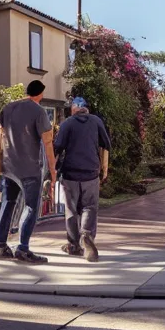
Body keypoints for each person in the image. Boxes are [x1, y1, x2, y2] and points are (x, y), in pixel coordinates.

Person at [0, 79, 57, 264]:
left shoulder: (7, 108)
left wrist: (0, 164)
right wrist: (52, 171)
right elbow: (47, 142)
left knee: (8, 203)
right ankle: (22, 249)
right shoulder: (39, 111)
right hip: (30, 168)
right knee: (30, 207)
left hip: (8, 167)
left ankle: (0, 247)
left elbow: (1, 137)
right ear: (40, 94)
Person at [54, 97, 111, 262]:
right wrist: (104, 170)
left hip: (70, 174)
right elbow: (106, 144)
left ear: (73, 109)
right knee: (89, 207)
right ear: (86, 109)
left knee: (71, 209)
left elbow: (57, 148)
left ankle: (74, 245)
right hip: (91, 173)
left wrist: (52, 171)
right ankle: (86, 235)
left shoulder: (67, 124)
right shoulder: (96, 121)